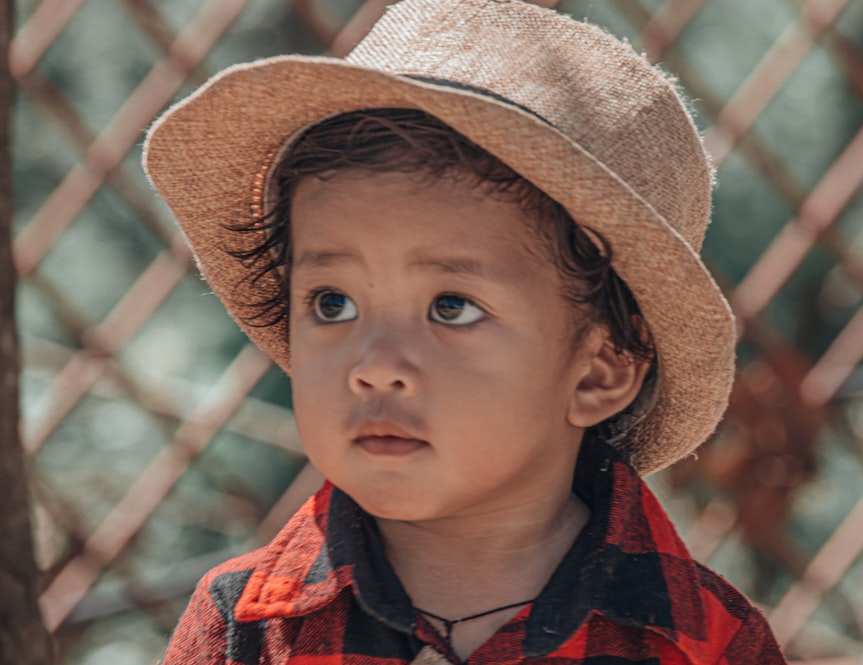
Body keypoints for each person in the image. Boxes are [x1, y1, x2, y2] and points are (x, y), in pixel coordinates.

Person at [144, 0, 786, 662]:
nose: (375, 365)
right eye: (333, 302)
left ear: (600, 369)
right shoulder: (245, 627)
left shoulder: (705, 643)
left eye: (452, 306)